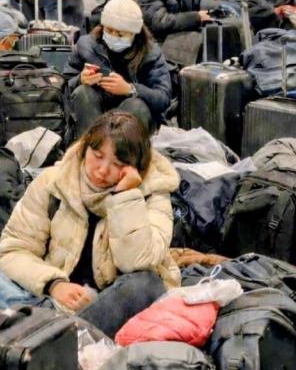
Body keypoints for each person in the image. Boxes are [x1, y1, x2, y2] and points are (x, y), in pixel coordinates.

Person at [0, 111, 180, 337]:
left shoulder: (153, 195)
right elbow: (14, 250)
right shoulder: (53, 183)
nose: (102, 170)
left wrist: (126, 196)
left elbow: (137, 262)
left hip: (108, 306)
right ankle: (49, 334)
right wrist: (54, 284)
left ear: (137, 166)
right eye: (97, 155)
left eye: (118, 164)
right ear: (85, 148)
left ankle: (52, 338)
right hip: (52, 299)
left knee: (145, 285)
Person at [64, 0, 172, 137]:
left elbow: (163, 98)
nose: (113, 36)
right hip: (95, 112)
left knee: (136, 105)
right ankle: (89, 146)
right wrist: (80, 79)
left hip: (133, 118)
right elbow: (64, 86)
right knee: (83, 93)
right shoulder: (86, 46)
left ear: (134, 33)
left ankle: (123, 150)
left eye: (120, 34)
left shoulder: (150, 54)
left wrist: (131, 89)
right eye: (109, 30)